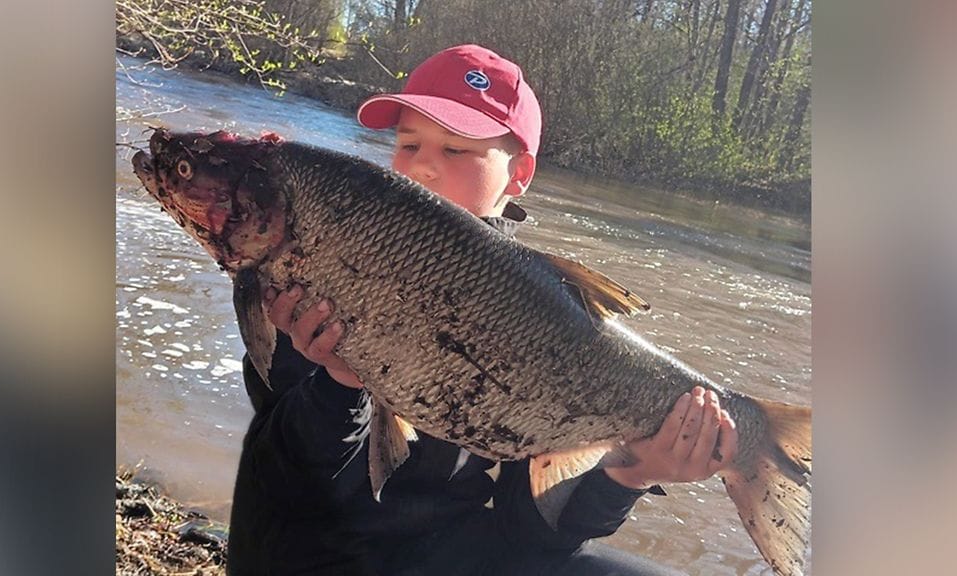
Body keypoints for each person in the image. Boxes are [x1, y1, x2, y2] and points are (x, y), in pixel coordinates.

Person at [226, 44, 738, 576]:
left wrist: (628, 472)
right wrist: (338, 382)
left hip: (438, 553)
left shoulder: (534, 311)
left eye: (455, 149)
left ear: (519, 174)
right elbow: (289, 481)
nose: (421, 165)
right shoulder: (315, 268)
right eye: (408, 143)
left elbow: (530, 535)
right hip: (304, 552)